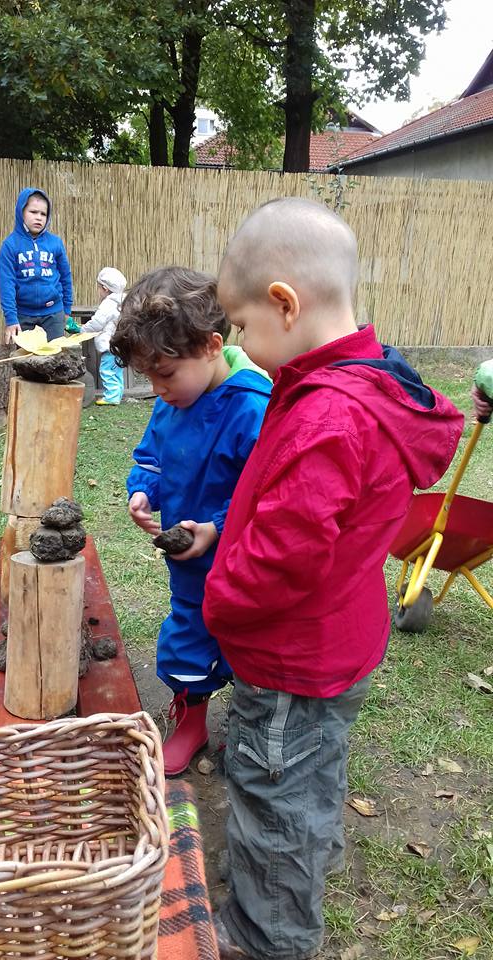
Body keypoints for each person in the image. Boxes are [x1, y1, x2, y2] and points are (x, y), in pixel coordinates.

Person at [202, 198, 465, 960]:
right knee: (307, 771)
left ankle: (270, 932)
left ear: (285, 304)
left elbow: (282, 558)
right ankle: (305, 853)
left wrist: (220, 597)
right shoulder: (361, 382)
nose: (240, 345)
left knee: (274, 790)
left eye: (242, 325)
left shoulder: (330, 419)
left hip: (294, 662)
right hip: (337, 644)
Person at [110, 266, 271, 776]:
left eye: (165, 373)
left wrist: (218, 527)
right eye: (149, 377)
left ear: (210, 346)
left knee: (248, 643)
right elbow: (152, 456)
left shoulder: (252, 408)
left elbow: (264, 492)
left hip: (242, 563)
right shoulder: (172, 402)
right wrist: (143, 490)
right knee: (187, 634)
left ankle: (252, 724)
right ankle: (192, 720)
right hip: (189, 563)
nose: (158, 389)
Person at [0, 187, 73, 344]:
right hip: (23, 315)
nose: (38, 217)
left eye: (43, 214)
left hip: (54, 314)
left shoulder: (55, 243)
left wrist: (66, 309)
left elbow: (66, 276)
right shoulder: (10, 245)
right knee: (24, 357)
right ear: (21, 212)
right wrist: (11, 319)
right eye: (33, 212)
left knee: (56, 356)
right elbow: (7, 284)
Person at [82, 267, 127, 406]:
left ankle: (111, 397)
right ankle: (117, 394)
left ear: (105, 288)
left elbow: (97, 323)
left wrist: (82, 329)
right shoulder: (124, 301)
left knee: (107, 370)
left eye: (98, 287)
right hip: (121, 344)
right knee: (116, 371)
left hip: (110, 345)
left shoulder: (108, 304)